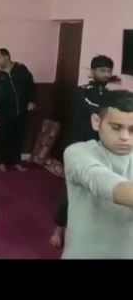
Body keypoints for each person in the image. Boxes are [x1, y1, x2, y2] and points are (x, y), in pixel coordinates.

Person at [50, 55, 114, 247]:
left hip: (104, 150)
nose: (106, 74)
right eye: (102, 70)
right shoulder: (81, 93)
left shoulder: (111, 96)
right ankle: (58, 229)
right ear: (92, 72)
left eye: (109, 71)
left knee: (100, 192)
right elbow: (96, 110)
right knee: (72, 191)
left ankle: (92, 231)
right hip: (81, 148)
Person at [62, 90, 133, 259]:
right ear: (96, 122)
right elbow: (102, 181)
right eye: (116, 127)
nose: (125, 137)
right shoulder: (77, 153)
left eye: (132, 130)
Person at [0, 48, 36, 172]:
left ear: (7, 57)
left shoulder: (21, 69)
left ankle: (16, 161)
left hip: (21, 110)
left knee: (19, 136)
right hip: (5, 112)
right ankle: (2, 162)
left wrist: (32, 101)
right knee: (4, 136)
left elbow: (31, 85)